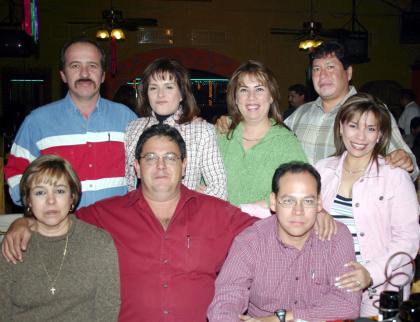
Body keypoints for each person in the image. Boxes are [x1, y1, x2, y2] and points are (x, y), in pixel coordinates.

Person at [2, 124, 258, 322]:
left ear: (184, 165)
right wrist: (25, 223)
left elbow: (269, 233)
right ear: (136, 166)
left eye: (170, 157)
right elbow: (57, 218)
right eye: (150, 158)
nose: (160, 166)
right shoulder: (106, 214)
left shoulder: (218, 213)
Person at [208, 162, 360, 322]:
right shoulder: (251, 241)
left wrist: (281, 318)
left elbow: (348, 303)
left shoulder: (336, 236)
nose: (298, 211)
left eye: (307, 201)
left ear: (319, 203)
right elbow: (226, 300)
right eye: (288, 201)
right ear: (273, 202)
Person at [315, 93, 420, 317]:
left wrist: (369, 273)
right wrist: (317, 211)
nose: (361, 137)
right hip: (328, 283)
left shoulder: (395, 176)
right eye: (353, 125)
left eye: (371, 129)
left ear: (380, 134)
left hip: (380, 289)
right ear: (341, 127)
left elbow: (408, 240)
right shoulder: (322, 170)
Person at [4, 36, 138, 208]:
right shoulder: (36, 122)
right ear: (63, 75)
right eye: (75, 66)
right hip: (60, 230)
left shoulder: (127, 118)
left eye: (92, 66)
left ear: (103, 75)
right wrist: (32, 211)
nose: (84, 73)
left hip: (117, 227)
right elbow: (16, 174)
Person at [0, 155, 120, 321]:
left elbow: (107, 309)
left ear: (72, 198)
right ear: (28, 200)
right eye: (40, 192)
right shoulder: (13, 245)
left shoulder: (99, 243)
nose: (51, 201)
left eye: (60, 191)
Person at [283, 41, 418, 178]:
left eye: (330, 67)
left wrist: (404, 160)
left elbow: (410, 166)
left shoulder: (371, 112)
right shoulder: (300, 113)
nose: (322, 75)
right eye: (317, 69)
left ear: (348, 73)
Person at [125, 58, 227, 200]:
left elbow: (219, 188)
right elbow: (128, 182)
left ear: (181, 94)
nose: (160, 94)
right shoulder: (133, 128)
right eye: (153, 87)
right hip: (140, 215)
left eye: (169, 87)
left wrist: (194, 199)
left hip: (184, 216)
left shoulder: (202, 131)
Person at [219, 60, 307, 209]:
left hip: (265, 229)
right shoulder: (221, 135)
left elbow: (301, 190)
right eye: (244, 90)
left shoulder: (286, 142)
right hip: (218, 228)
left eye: (259, 89)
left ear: (271, 96)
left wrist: (259, 207)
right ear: (235, 98)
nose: (251, 97)